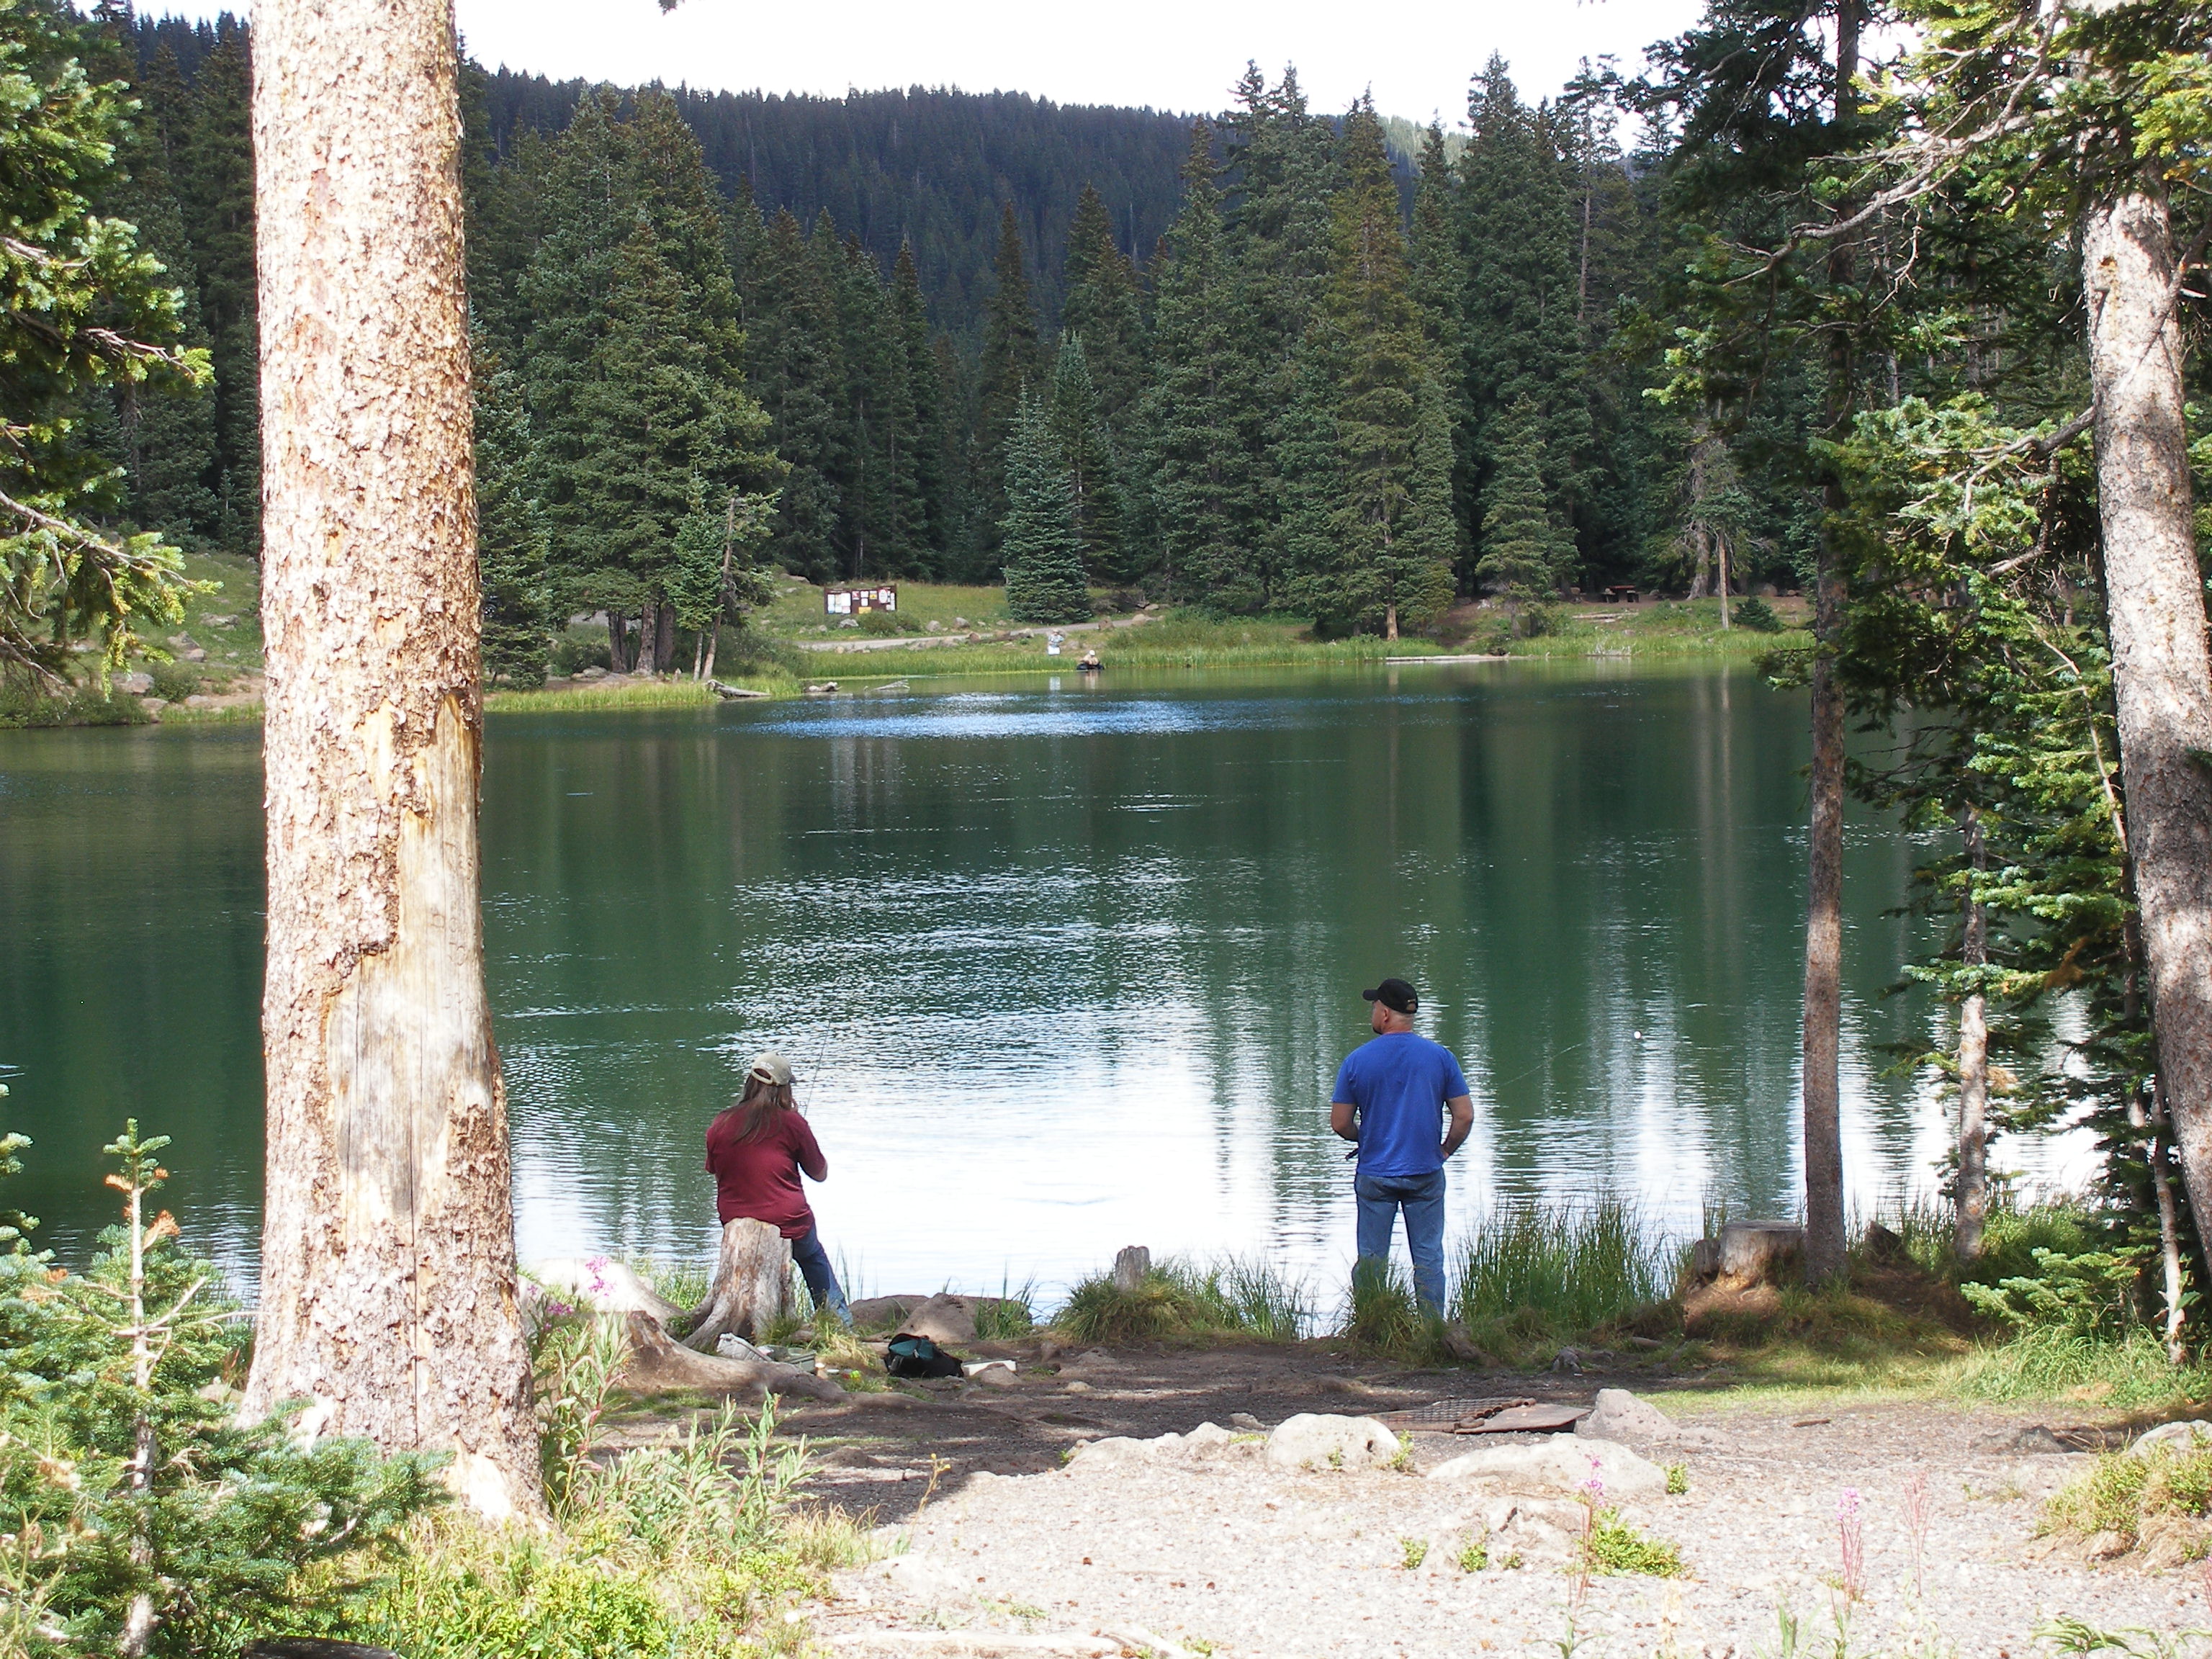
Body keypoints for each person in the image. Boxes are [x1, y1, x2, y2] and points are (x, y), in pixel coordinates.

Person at [1328, 977, 1474, 1313]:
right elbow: (1464, 1116)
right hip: (1426, 1172)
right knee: (1428, 1259)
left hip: (1375, 1175)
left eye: (1374, 1008)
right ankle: (1433, 1331)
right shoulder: (1441, 1058)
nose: (1373, 1015)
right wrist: (1445, 1150)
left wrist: (1365, 1137)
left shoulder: (1357, 1060)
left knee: (1372, 1260)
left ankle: (1370, 1327)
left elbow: (1340, 1123)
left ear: (1384, 1014)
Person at [704, 1052, 851, 1322]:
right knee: (812, 1257)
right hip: (788, 1222)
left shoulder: (721, 1123)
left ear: (750, 1083)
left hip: (736, 1221)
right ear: (785, 1089)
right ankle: (839, 1321)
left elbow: (717, 1173)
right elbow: (820, 1174)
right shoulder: (793, 1123)